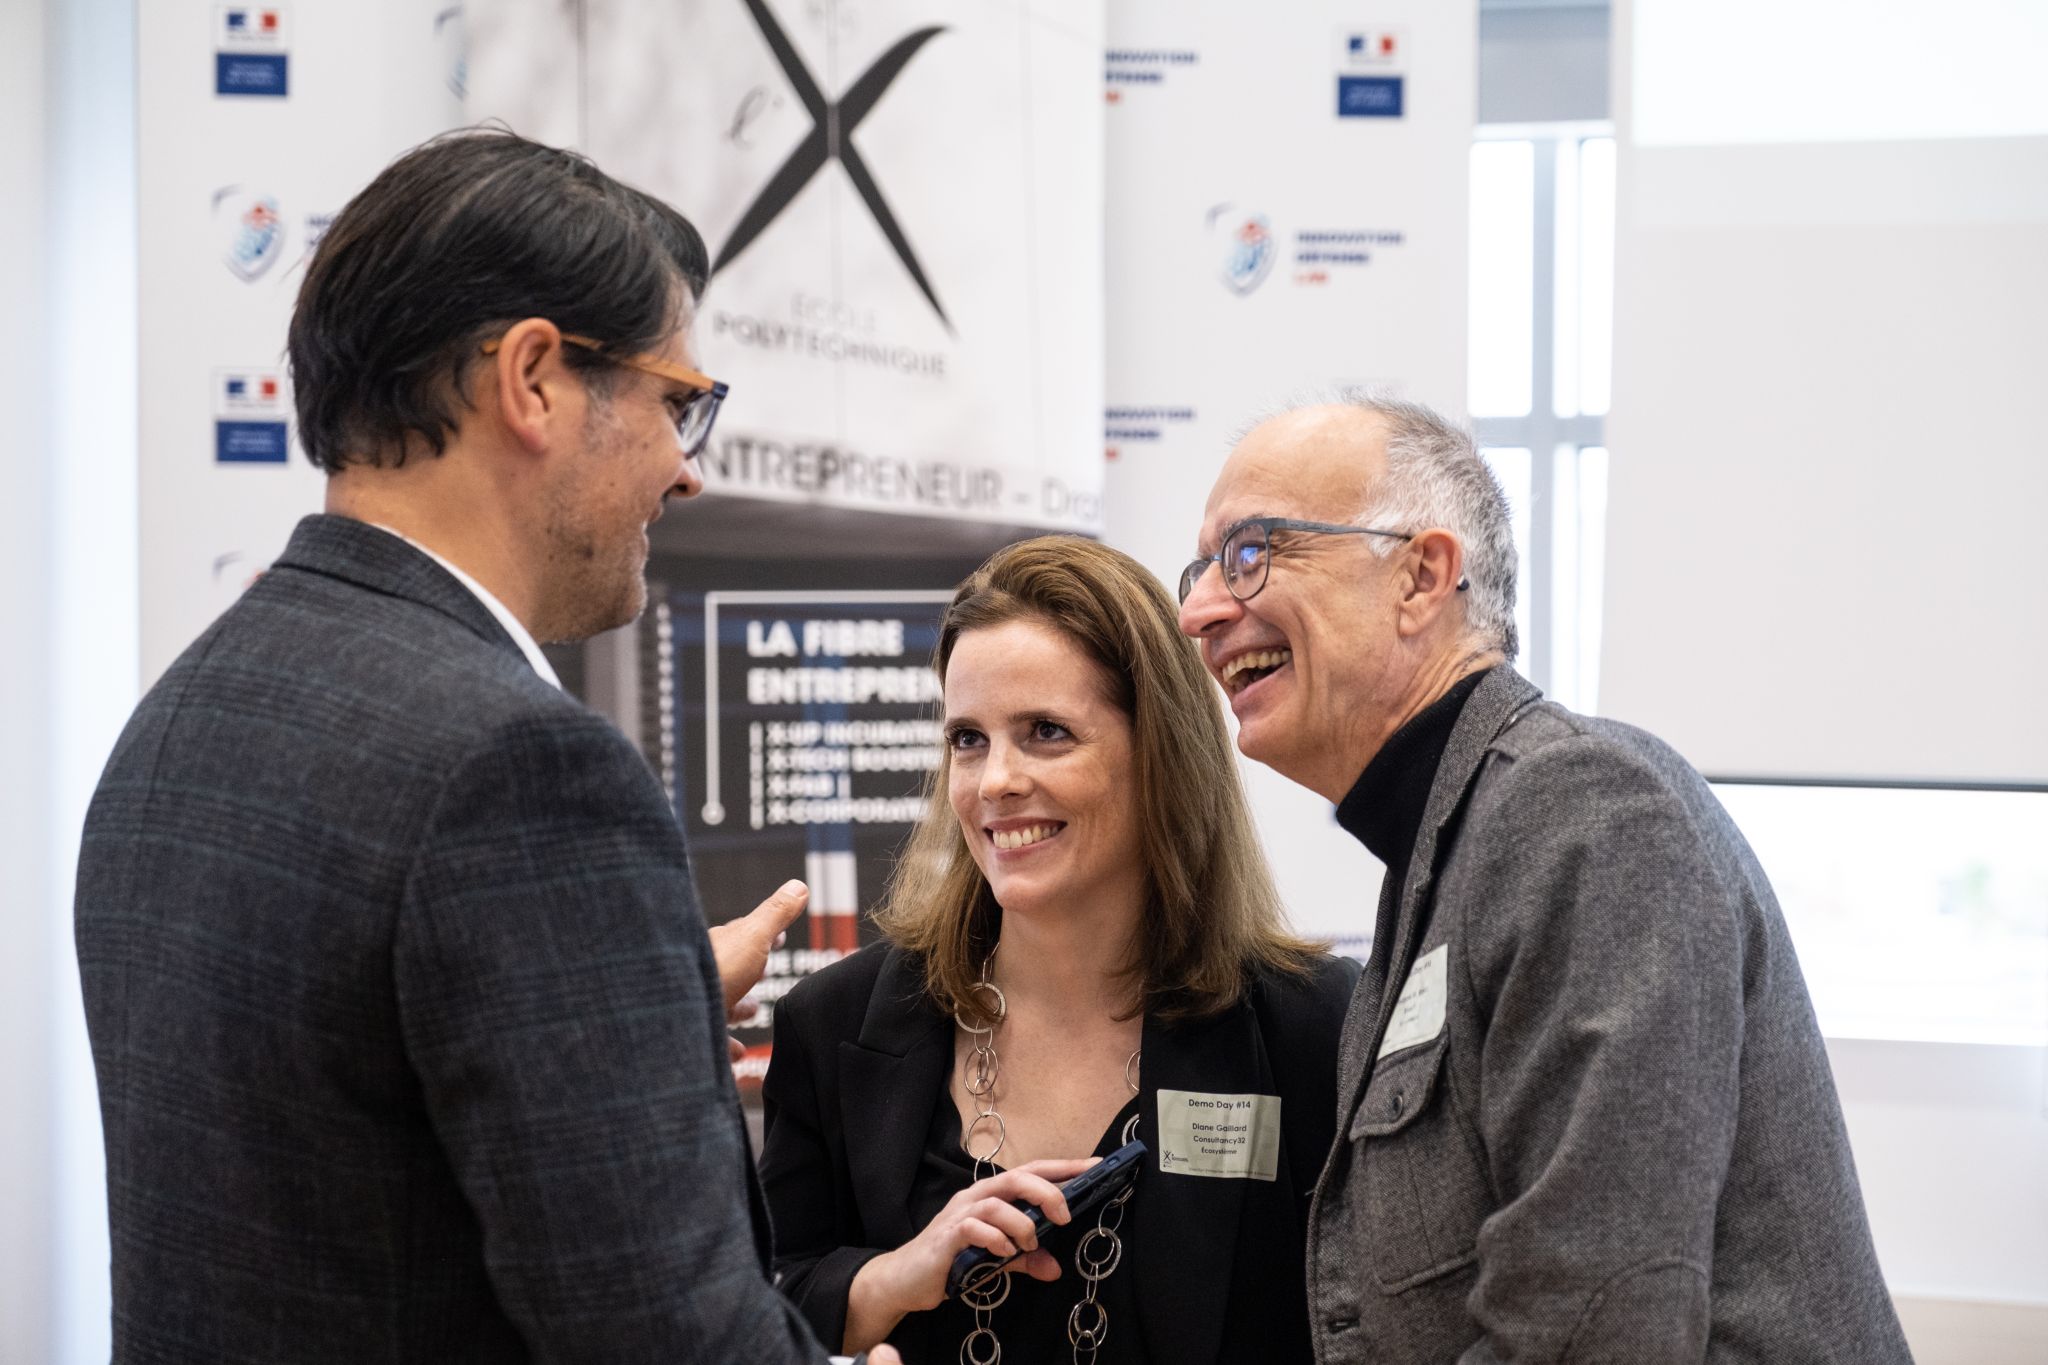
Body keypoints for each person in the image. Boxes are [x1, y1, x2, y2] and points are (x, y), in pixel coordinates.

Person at [73, 129, 899, 1364]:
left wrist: (637, 1009)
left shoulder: (180, 715)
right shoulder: (517, 772)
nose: (687, 473)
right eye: (679, 403)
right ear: (531, 379)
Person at [1175, 393, 1913, 1363]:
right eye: (1199, 569)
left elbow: (1591, 1322)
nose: (1197, 612)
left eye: (1252, 552)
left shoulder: (1585, 811)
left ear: (1419, 577)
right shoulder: (1445, 851)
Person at [759, 536, 1359, 1365]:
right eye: (968, 739)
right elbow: (750, 1304)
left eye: (1045, 732)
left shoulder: (1310, 1028)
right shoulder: (834, 1024)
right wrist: (891, 1279)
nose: (995, 780)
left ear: (1160, 752)